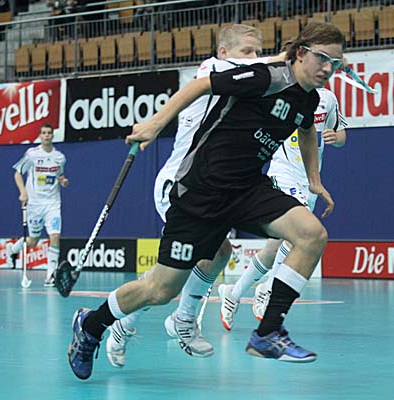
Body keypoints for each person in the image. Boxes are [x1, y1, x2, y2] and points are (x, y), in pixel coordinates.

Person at [67, 22, 345, 380]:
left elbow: (306, 129)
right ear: (302, 53)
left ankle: (268, 333)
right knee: (160, 289)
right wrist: (155, 124)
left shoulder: (309, 97)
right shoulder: (267, 77)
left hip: (247, 189)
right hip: (202, 192)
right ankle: (91, 324)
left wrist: (314, 180)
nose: (328, 69)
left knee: (311, 234)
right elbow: (200, 86)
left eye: (335, 63)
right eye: (322, 59)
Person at [105, 23, 281, 367]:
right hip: (178, 184)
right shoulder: (212, 69)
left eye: (257, 52)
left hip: (208, 186)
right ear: (224, 53)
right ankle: (130, 323)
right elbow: (263, 70)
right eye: (247, 51)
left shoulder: (244, 83)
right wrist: (293, 57)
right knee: (173, 275)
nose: (254, 58)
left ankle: (177, 320)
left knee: (216, 254)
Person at [217, 86, 347, 330]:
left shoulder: (327, 99)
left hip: (309, 179)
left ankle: (233, 293)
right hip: (282, 172)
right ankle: (268, 289)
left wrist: (334, 137)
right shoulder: (284, 92)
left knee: (275, 246)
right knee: (297, 235)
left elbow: (341, 135)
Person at [6, 124, 69, 286]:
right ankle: (12, 250)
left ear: (52, 135)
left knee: (55, 236)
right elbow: (17, 173)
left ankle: (50, 276)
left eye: (49, 133)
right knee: (33, 240)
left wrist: (63, 181)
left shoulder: (59, 157)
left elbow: (59, 174)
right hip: (34, 204)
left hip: (53, 203)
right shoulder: (32, 155)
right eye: (44, 133)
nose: (47, 135)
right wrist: (23, 192)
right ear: (40, 136)